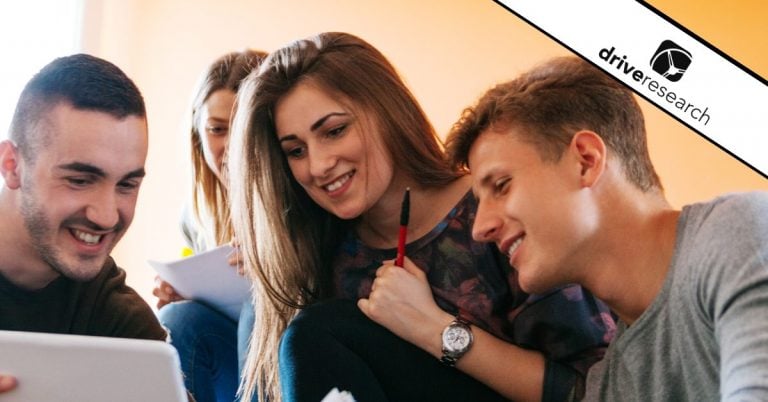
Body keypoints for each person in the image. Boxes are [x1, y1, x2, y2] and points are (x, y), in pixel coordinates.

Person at [227, 32, 615, 402]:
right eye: (295, 151)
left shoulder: (496, 209)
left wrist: (436, 330)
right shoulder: (323, 251)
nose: (319, 165)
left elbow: (591, 388)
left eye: (334, 130)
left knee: (312, 333)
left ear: (386, 112)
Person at [446, 56, 768, 401]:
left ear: (585, 161)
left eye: (502, 185)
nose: (480, 228)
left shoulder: (740, 231)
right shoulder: (612, 385)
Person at [0, 54, 166, 393]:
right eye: (80, 180)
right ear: (12, 165)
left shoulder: (122, 327)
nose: (106, 216)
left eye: (127, 184)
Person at [153, 49, 267, 402]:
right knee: (178, 317)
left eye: (245, 128)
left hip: (288, 354)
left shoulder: (308, 196)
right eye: (217, 130)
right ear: (198, 135)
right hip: (230, 359)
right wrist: (184, 292)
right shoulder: (197, 216)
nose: (232, 147)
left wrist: (274, 272)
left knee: (259, 304)